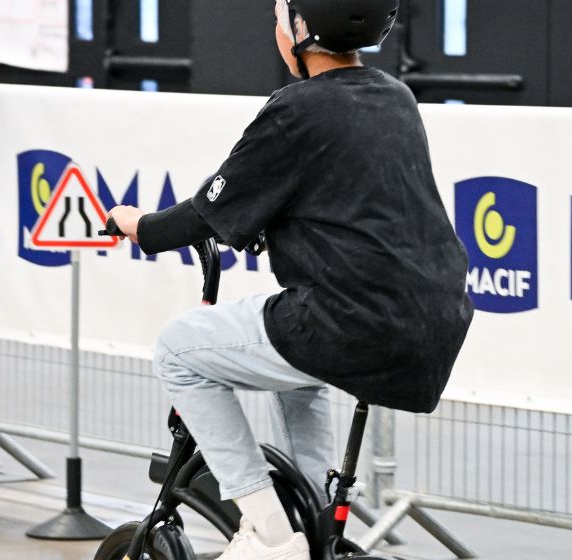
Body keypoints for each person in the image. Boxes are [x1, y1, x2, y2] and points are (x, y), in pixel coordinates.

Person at [105, 0, 474, 557]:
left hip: (349, 318)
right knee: (295, 368)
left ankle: (271, 537)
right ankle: (317, 528)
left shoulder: (297, 108)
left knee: (177, 349)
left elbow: (210, 208)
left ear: (301, 31)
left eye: (281, 18)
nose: (276, 29)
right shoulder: (395, 97)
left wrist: (141, 226)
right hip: (433, 320)